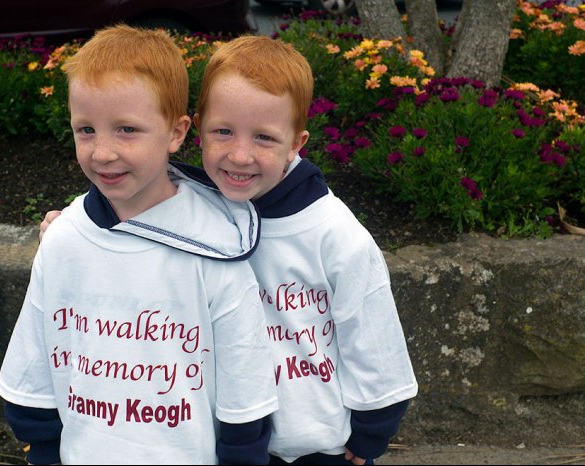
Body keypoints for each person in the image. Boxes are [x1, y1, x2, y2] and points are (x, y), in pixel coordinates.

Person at [41, 34, 418, 465]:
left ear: (296, 143)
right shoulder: (194, 206)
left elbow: (372, 334)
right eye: (223, 132)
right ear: (194, 129)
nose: (239, 156)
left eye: (263, 138)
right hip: (227, 438)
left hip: (314, 443)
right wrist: (70, 229)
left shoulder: (333, 233)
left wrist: (373, 428)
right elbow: (130, 214)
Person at [0, 25, 278, 465]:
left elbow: (246, 379)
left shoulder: (216, 243)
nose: (102, 152)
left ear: (176, 132)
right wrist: (43, 449)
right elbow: (34, 365)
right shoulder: (65, 240)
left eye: (126, 129)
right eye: (85, 130)